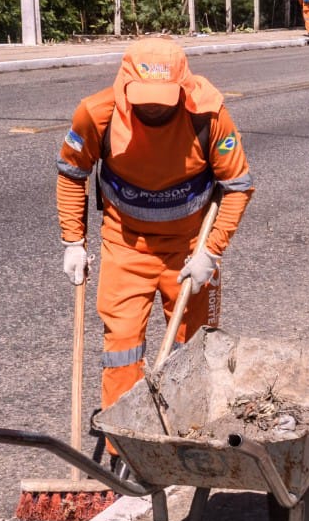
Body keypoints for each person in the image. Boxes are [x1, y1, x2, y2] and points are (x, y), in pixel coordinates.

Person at [56, 37, 254, 414]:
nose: (151, 106)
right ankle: (125, 443)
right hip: (125, 243)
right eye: (143, 96)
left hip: (189, 246)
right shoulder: (97, 113)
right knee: (122, 347)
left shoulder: (208, 115)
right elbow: (71, 173)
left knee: (193, 347)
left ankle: (184, 435)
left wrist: (210, 253)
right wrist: (73, 242)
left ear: (184, 86)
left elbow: (238, 186)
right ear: (124, 83)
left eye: (163, 97)